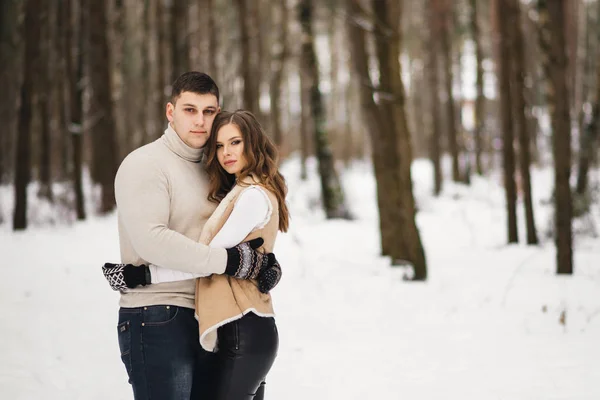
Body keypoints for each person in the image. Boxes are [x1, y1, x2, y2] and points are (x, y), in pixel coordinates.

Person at [101, 72, 281, 400]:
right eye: (189, 110)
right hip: (157, 313)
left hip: (212, 316)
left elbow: (234, 234)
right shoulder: (145, 164)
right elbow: (153, 241)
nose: (200, 121)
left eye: (209, 111)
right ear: (170, 112)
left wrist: (264, 263)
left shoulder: (217, 169)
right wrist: (230, 262)